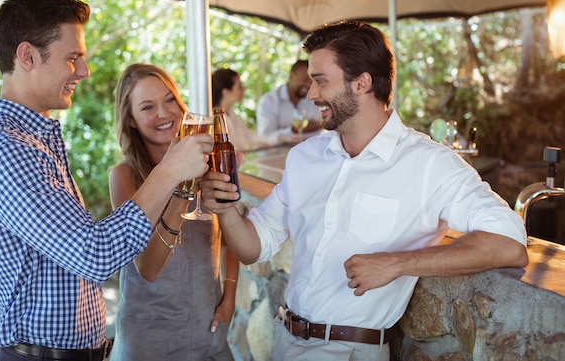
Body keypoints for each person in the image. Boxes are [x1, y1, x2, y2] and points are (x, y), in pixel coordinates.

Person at [201, 20, 528, 361]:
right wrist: (225, 209)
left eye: (320, 81)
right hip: (284, 341)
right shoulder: (304, 157)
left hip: (350, 352)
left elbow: (508, 243)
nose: (311, 94)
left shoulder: (429, 163)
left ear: (362, 83)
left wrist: (397, 264)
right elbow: (254, 246)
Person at [0, 0, 213, 361]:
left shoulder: (36, 140)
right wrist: (171, 169)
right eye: (72, 57)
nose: (84, 70)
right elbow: (95, 255)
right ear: (27, 56)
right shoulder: (5, 149)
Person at [108, 63, 239, 361]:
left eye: (169, 100)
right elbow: (148, 268)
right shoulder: (124, 177)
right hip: (150, 339)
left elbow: (232, 231)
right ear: (130, 120)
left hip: (209, 330)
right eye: (147, 107)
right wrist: (182, 186)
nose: (164, 113)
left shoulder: (210, 161)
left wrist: (229, 296)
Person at [212, 67, 301, 151]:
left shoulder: (232, 115)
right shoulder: (214, 120)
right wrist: (255, 147)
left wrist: (282, 138)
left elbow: (252, 137)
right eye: (239, 86)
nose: (244, 89)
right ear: (226, 92)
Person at [256, 59, 322, 140]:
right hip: (277, 152)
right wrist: (293, 130)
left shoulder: (313, 100)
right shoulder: (269, 101)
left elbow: (316, 133)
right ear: (291, 76)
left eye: (311, 81)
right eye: (304, 79)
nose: (308, 85)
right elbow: (264, 137)